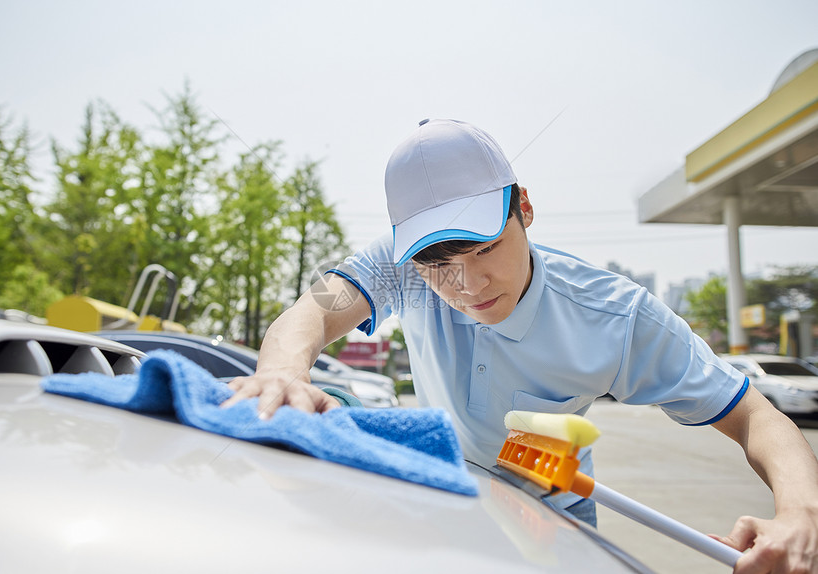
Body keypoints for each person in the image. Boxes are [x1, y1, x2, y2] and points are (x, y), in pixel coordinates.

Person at [224, 118, 818, 572]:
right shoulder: (395, 265)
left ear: (524, 209)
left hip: (550, 524)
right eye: (438, 264)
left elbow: (753, 413)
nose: (467, 285)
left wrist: (801, 516)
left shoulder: (616, 315)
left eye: (484, 249)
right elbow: (312, 311)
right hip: (437, 495)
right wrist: (282, 371)